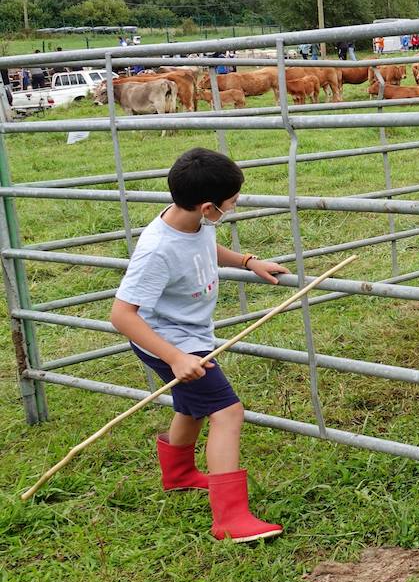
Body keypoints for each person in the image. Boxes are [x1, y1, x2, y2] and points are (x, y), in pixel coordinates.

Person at [110, 148, 290, 543]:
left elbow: (205, 249)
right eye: (232, 203)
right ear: (209, 208)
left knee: (192, 406)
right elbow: (122, 315)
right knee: (227, 412)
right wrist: (175, 358)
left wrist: (246, 261)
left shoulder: (194, 222)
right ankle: (230, 518)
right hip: (168, 342)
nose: (234, 206)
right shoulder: (158, 249)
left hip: (186, 339)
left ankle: (178, 475)